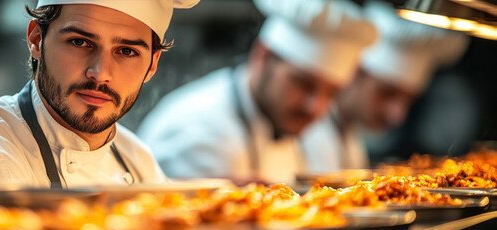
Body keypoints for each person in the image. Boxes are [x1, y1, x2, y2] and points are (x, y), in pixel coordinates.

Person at [0, 0, 200, 198]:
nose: (100, 73)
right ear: (36, 41)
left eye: (127, 52)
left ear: (152, 65)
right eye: (80, 42)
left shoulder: (140, 163)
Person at [137, 0, 377, 185]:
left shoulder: (290, 121)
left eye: (331, 93)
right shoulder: (199, 131)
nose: (315, 107)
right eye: (304, 84)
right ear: (262, 56)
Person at [299, 1, 469, 173]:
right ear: (354, 72)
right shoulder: (302, 130)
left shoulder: (349, 135)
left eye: (409, 101)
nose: (397, 115)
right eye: (387, 93)